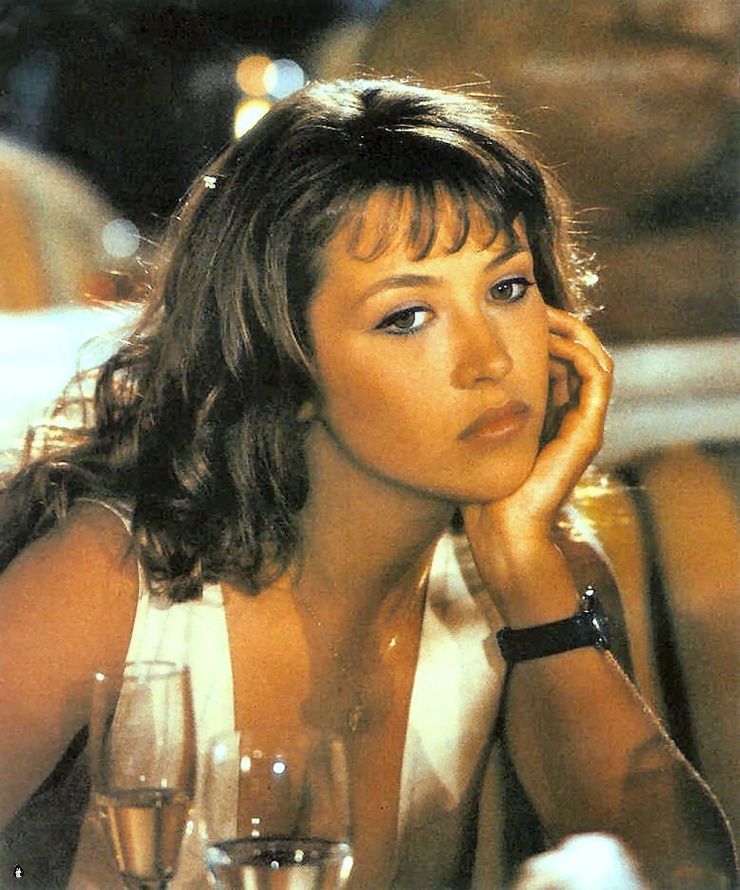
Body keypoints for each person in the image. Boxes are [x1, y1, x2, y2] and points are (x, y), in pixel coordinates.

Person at [0, 78, 735, 889]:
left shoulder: (533, 582)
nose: (490, 359)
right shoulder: (108, 582)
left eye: (507, 288)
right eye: (406, 317)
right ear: (280, 362)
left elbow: (686, 878)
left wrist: (529, 573)